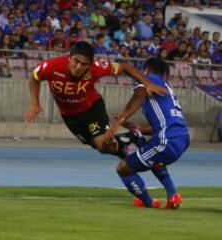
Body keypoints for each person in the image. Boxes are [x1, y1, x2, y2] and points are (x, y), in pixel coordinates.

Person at [24, 41, 166, 163]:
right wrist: (35, 104)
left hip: (92, 110)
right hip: (70, 117)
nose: (79, 67)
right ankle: (123, 150)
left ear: (90, 64)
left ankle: (133, 136)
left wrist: (148, 84)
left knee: (101, 144)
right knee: (102, 148)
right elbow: (34, 79)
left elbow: (125, 67)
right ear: (69, 58)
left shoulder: (97, 67)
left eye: (84, 64)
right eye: (76, 61)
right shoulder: (51, 66)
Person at [107, 57, 190, 209]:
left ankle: (148, 202)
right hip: (181, 138)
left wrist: (120, 120)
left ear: (146, 70)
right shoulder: (168, 90)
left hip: (167, 140)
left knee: (123, 168)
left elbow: (139, 95)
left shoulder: (149, 79)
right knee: (154, 159)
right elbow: (157, 125)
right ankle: (173, 196)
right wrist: (132, 126)